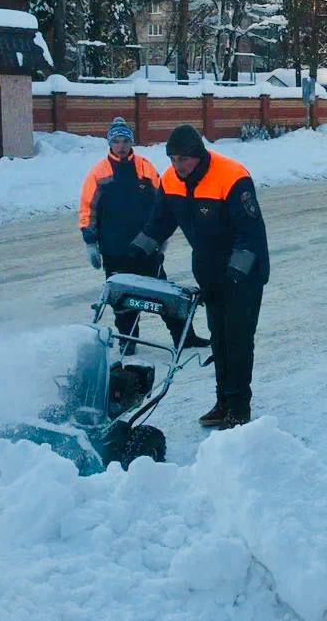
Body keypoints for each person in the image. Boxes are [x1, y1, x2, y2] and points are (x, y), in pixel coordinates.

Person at [130, 124, 269, 429]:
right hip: (210, 272)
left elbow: (251, 234)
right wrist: (138, 251)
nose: (178, 166)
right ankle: (223, 402)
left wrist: (236, 271)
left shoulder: (232, 177)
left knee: (238, 339)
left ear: (198, 155)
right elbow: (160, 222)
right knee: (218, 341)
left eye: (183, 160)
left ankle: (239, 407)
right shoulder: (170, 180)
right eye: (173, 160)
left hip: (243, 274)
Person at [78, 117, 209, 354]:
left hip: (147, 246)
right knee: (123, 299)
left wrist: (162, 239)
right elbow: (88, 209)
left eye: (125, 140)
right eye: (116, 141)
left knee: (164, 295)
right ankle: (128, 342)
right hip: (114, 249)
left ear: (131, 141)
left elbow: (166, 202)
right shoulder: (98, 173)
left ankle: (185, 337)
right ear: (110, 143)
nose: (121, 146)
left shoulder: (145, 167)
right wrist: (90, 243)